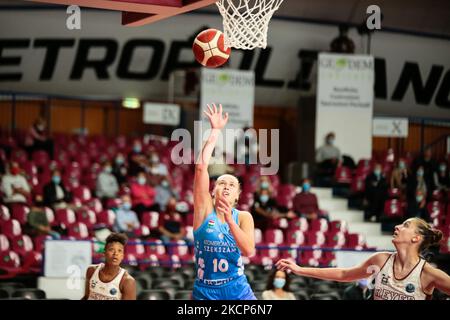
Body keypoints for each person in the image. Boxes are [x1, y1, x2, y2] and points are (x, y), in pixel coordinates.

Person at [276, 217, 450, 300]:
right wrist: (299, 269)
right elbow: (344, 274)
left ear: (416, 238)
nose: (397, 226)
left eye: (405, 225)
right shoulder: (380, 260)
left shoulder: (428, 274)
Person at [192, 103, 256, 300]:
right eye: (222, 183)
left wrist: (230, 220)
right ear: (213, 191)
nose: (227, 186)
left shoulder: (243, 217)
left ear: (237, 195)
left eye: (231, 184)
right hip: (206, 291)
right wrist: (215, 131)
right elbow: (201, 168)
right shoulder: (203, 210)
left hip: (237, 289)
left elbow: (249, 251)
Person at [82, 233, 136, 300]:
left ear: (122, 256)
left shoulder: (127, 281)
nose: (115, 253)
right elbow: (86, 297)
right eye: (111, 249)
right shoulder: (91, 270)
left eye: (119, 251)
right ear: (104, 253)